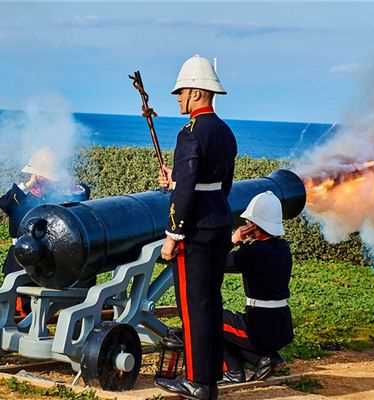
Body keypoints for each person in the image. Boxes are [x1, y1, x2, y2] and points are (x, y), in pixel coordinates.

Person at [155, 54, 237, 400]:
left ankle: (198, 382)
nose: (177, 98)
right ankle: (210, 378)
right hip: (219, 222)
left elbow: (188, 190)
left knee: (193, 307)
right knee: (210, 303)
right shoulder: (224, 131)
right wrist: (178, 180)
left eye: (180, 92)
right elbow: (220, 184)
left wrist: (173, 235)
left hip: (196, 231)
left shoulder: (190, 132)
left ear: (195, 93)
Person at [0, 147, 90, 313]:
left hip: (52, 257)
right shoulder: (21, 197)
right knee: (20, 306)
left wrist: (68, 185)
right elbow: (5, 202)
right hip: (22, 259)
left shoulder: (58, 196)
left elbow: (83, 195)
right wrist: (29, 184)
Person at [220, 191, 294, 384]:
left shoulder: (252, 252)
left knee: (208, 320)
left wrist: (233, 240)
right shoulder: (283, 248)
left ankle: (232, 371)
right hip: (280, 324)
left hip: (260, 327)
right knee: (230, 328)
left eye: (249, 223)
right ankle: (266, 359)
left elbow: (215, 262)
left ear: (256, 225)